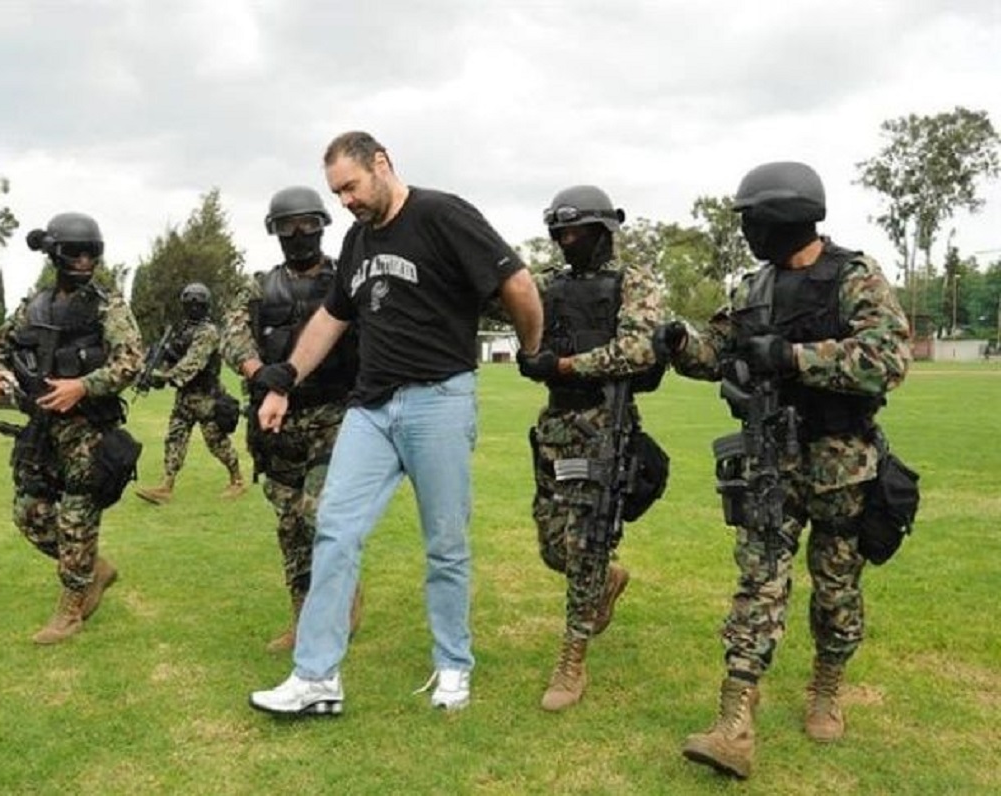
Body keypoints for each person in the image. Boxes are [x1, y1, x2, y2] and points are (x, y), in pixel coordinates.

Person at [248, 130, 543, 716]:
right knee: (333, 529)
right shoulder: (358, 242)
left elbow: (517, 283)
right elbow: (332, 318)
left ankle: (453, 664)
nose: (346, 202)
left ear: (381, 164)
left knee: (445, 544)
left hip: (439, 400)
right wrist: (285, 379)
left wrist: (531, 348)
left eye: (351, 187)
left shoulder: (442, 214)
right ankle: (316, 678)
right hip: (371, 409)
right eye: (337, 193)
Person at [653, 162, 911, 779]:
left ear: (784, 217)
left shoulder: (855, 277)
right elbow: (721, 348)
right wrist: (680, 342)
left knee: (836, 587)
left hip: (841, 464)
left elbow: (888, 357)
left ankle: (826, 684)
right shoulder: (753, 288)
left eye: (751, 219)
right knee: (758, 582)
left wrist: (794, 356)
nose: (747, 232)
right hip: (770, 458)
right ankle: (734, 720)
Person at [516, 185, 666, 711]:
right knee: (553, 544)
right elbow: (509, 299)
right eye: (559, 232)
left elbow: (638, 348)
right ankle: (605, 580)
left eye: (575, 231)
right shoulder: (548, 285)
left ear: (604, 231)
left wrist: (562, 365)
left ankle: (572, 657)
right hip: (555, 425)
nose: (565, 241)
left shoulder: (633, 282)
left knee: (586, 539)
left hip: (604, 423)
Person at [0, 212, 143, 644]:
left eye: (93, 252)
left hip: (89, 431)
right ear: (55, 253)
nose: (85, 260)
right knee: (29, 513)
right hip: (43, 430)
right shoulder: (34, 306)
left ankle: (70, 612)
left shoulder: (109, 307)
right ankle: (93, 570)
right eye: (75, 252)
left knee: (75, 518)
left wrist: (83, 387)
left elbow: (130, 362)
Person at [221, 186, 362, 652]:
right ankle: (303, 618)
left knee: (319, 512)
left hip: (334, 416)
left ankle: (343, 595)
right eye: (288, 227)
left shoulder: (346, 280)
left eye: (308, 225)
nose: (299, 235)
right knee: (290, 525)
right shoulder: (258, 287)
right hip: (276, 421)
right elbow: (232, 337)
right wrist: (262, 374)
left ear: (323, 226)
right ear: (274, 232)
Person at [135, 282, 246, 504]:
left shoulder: (208, 333)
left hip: (207, 397)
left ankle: (237, 479)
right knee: (175, 438)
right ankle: (166, 486)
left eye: (197, 305)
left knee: (216, 442)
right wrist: (153, 372)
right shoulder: (184, 330)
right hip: (185, 397)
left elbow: (192, 364)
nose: (193, 308)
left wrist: (163, 377)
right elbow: (173, 358)